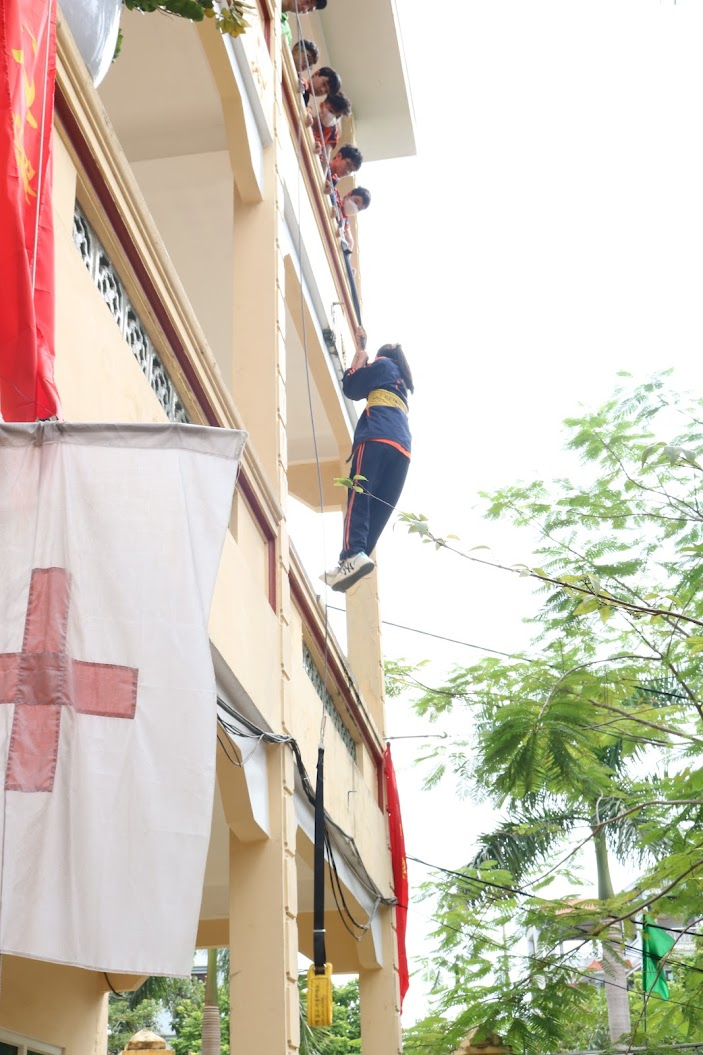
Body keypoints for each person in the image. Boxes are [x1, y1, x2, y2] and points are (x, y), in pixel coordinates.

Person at [321, 328, 414, 592]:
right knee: (378, 510)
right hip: (402, 451)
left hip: (376, 440)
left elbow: (353, 387)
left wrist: (357, 361)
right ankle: (355, 557)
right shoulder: (402, 384)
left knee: (359, 496)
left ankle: (351, 554)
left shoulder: (384, 365)